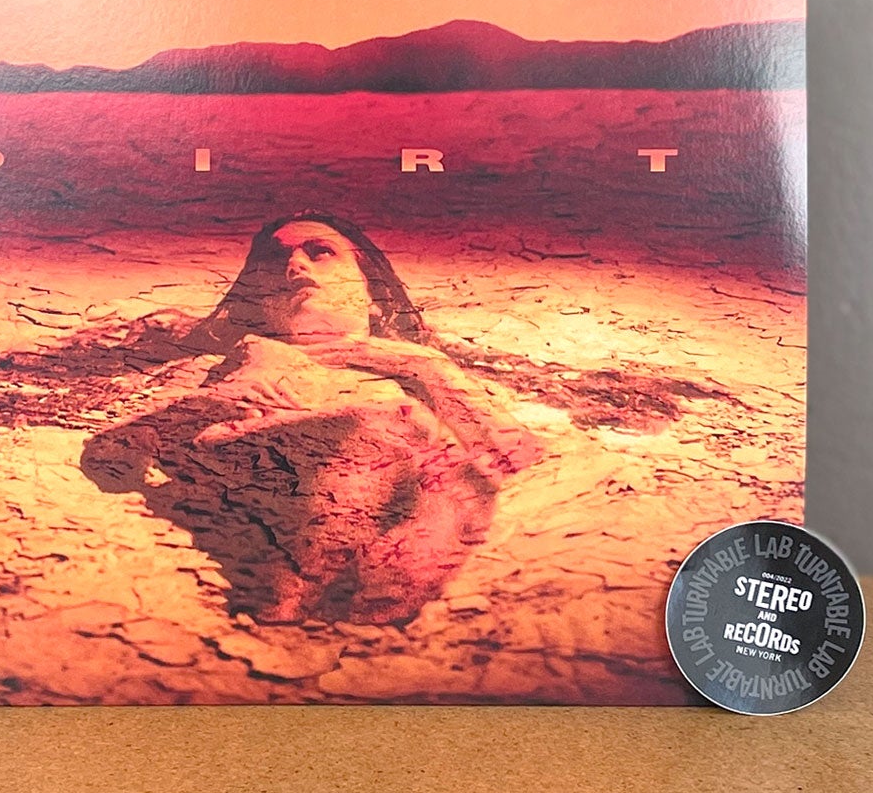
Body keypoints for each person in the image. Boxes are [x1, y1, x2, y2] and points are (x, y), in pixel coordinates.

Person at [81, 211, 539, 625]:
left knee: (415, 440)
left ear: (373, 293)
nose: (295, 266)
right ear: (260, 301)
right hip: (262, 502)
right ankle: (295, 593)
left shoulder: (421, 371)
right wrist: (216, 402)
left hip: (398, 524)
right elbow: (113, 453)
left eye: (320, 253)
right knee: (385, 425)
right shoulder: (225, 363)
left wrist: (422, 366)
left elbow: (512, 455)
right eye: (275, 260)